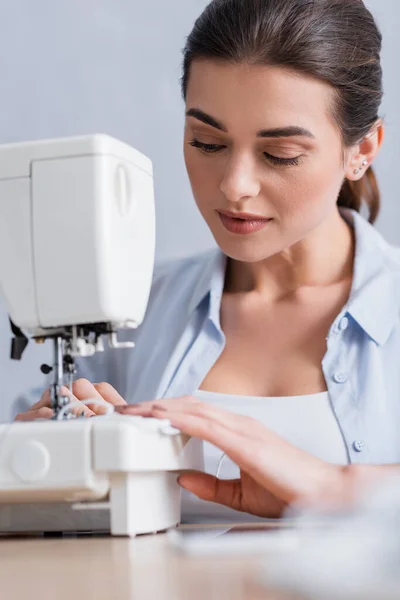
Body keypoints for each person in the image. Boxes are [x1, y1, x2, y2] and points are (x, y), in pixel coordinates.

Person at [16, 0, 400, 522]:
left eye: (280, 154)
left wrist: (334, 486)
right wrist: (40, 469)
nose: (234, 186)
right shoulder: (132, 314)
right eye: (207, 142)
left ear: (363, 149)